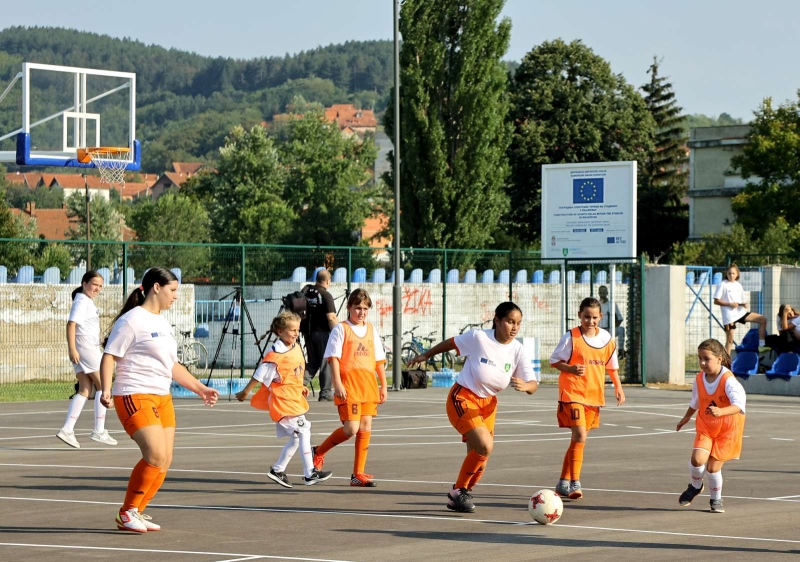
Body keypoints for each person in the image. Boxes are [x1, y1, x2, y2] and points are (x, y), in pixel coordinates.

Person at [100, 267, 219, 533]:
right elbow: (109, 356)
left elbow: (171, 365)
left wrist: (200, 388)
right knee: (154, 454)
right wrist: (105, 389)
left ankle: (138, 511)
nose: (176, 296)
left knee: (164, 460)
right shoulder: (132, 320)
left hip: (162, 397)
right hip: (134, 393)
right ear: (156, 287)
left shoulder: (163, 323)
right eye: (173, 290)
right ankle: (127, 511)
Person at [407, 302, 539, 513]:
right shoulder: (479, 338)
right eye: (510, 321)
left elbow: (533, 385)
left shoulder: (517, 350)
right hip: (463, 397)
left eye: (518, 323)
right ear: (497, 320)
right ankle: (457, 490)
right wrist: (426, 355)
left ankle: (460, 495)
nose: (514, 327)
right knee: (485, 445)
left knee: (481, 460)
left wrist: (526, 386)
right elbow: (451, 343)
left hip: (488, 405)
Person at [235, 311, 333, 488]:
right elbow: (259, 375)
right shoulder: (275, 355)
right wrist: (245, 392)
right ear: (280, 332)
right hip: (283, 402)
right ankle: (310, 472)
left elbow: (291, 374)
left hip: (292, 399)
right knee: (304, 431)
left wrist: (299, 386)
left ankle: (278, 470)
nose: (296, 333)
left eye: (298, 329)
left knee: (297, 437)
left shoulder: (294, 347)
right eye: (292, 330)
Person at [550, 297, 625, 501]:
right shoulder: (571, 337)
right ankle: (575, 483)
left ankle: (563, 483)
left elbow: (611, 366)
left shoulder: (607, 339)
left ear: (600, 317)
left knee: (578, 440)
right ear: (579, 316)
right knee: (580, 435)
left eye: (594, 317)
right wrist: (571, 368)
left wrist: (618, 388)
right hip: (573, 393)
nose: (590, 321)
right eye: (586, 317)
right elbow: (555, 361)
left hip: (593, 395)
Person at [311, 288, 387, 488]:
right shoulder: (341, 329)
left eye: (365, 308)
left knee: (366, 428)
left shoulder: (371, 329)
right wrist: (337, 383)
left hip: (368, 385)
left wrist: (383, 385)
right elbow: (333, 358)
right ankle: (318, 452)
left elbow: (379, 360)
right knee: (351, 428)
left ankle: (358, 474)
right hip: (349, 386)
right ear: (349, 307)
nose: (361, 312)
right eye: (357, 308)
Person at [676, 338, 746, 513]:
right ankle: (695, 486)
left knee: (713, 468)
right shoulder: (699, 379)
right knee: (697, 459)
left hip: (727, 430)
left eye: (706, 359)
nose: (702, 363)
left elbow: (739, 405)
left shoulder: (728, 380)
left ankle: (716, 500)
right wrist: (686, 418)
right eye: (700, 358)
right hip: (707, 426)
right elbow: (696, 401)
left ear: (719, 359)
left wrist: (721, 412)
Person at [56, 270, 118, 448]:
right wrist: (72, 349)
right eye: (94, 284)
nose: (97, 288)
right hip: (85, 349)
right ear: (84, 283)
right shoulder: (82, 301)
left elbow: (85, 328)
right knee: (103, 385)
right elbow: (71, 324)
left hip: (87, 346)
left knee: (85, 388)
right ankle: (99, 430)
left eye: (100, 286)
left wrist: (101, 341)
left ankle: (67, 429)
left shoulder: (86, 302)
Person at [713, 264, 767, 354]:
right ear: (726, 273)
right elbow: (716, 301)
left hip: (740, 313)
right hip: (729, 317)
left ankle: (761, 345)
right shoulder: (722, 284)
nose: (731, 275)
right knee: (730, 340)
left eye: (733, 273)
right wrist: (730, 304)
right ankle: (726, 364)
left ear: (737, 274)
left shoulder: (738, 285)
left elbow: (741, 300)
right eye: (729, 273)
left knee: (763, 319)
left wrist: (744, 304)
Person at [302, 269, 338, 401]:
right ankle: (325, 393)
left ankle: (297, 385)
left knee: (313, 363)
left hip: (307, 332)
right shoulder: (326, 295)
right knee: (325, 362)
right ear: (328, 281)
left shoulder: (307, 292)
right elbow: (331, 318)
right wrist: (338, 334)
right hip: (322, 333)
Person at [597, 285, 625, 358]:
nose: (602, 294)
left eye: (604, 292)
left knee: (621, 330)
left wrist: (613, 326)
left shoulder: (612, 304)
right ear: (598, 293)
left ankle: (621, 351)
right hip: (598, 330)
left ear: (607, 293)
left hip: (610, 329)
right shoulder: (596, 305)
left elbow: (620, 318)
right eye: (601, 292)